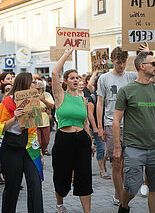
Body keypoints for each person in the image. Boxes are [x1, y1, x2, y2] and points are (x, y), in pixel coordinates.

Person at [112, 51, 155, 213]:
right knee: (132, 186)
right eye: (153, 64)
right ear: (142, 66)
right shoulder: (126, 90)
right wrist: (118, 148)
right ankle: (124, 206)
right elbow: (116, 120)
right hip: (134, 147)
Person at [52, 48, 94, 213]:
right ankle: (60, 204)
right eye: (72, 78)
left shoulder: (83, 99)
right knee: (62, 176)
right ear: (66, 81)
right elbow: (55, 72)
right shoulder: (60, 96)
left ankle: (87, 211)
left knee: (84, 176)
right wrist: (66, 54)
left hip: (82, 141)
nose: (76, 80)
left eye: (78, 77)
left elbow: (85, 123)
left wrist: (90, 141)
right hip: (64, 140)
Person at [97, 47, 137, 206]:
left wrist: (147, 52)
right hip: (110, 123)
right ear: (112, 61)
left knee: (128, 162)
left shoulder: (132, 76)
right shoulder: (104, 78)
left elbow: (154, 76)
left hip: (130, 124)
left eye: (124, 62)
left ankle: (117, 191)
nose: (122, 65)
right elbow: (100, 103)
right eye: (119, 62)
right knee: (117, 160)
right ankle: (120, 198)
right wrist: (99, 126)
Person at [0, 72, 44, 213]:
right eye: (32, 82)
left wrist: (40, 151)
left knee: (35, 183)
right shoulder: (7, 102)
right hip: (12, 146)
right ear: (25, 84)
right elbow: (2, 127)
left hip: (30, 146)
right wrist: (15, 118)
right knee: (12, 185)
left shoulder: (33, 99)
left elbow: (34, 127)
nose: (35, 85)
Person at [88, 75, 111, 179]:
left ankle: (103, 163)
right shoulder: (93, 97)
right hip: (97, 127)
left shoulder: (108, 96)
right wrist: (95, 127)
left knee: (107, 149)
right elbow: (90, 114)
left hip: (108, 125)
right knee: (101, 148)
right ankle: (102, 170)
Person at [35, 80, 54, 156]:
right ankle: (39, 155)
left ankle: (43, 151)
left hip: (45, 121)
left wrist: (43, 100)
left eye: (39, 89)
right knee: (38, 141)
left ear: (43, 88)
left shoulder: (47, 94)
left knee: (46, 141)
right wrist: (40, 109)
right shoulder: (30, 95)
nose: (37, 90)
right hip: (35, 122)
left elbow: (51, 106)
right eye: (36, 88)